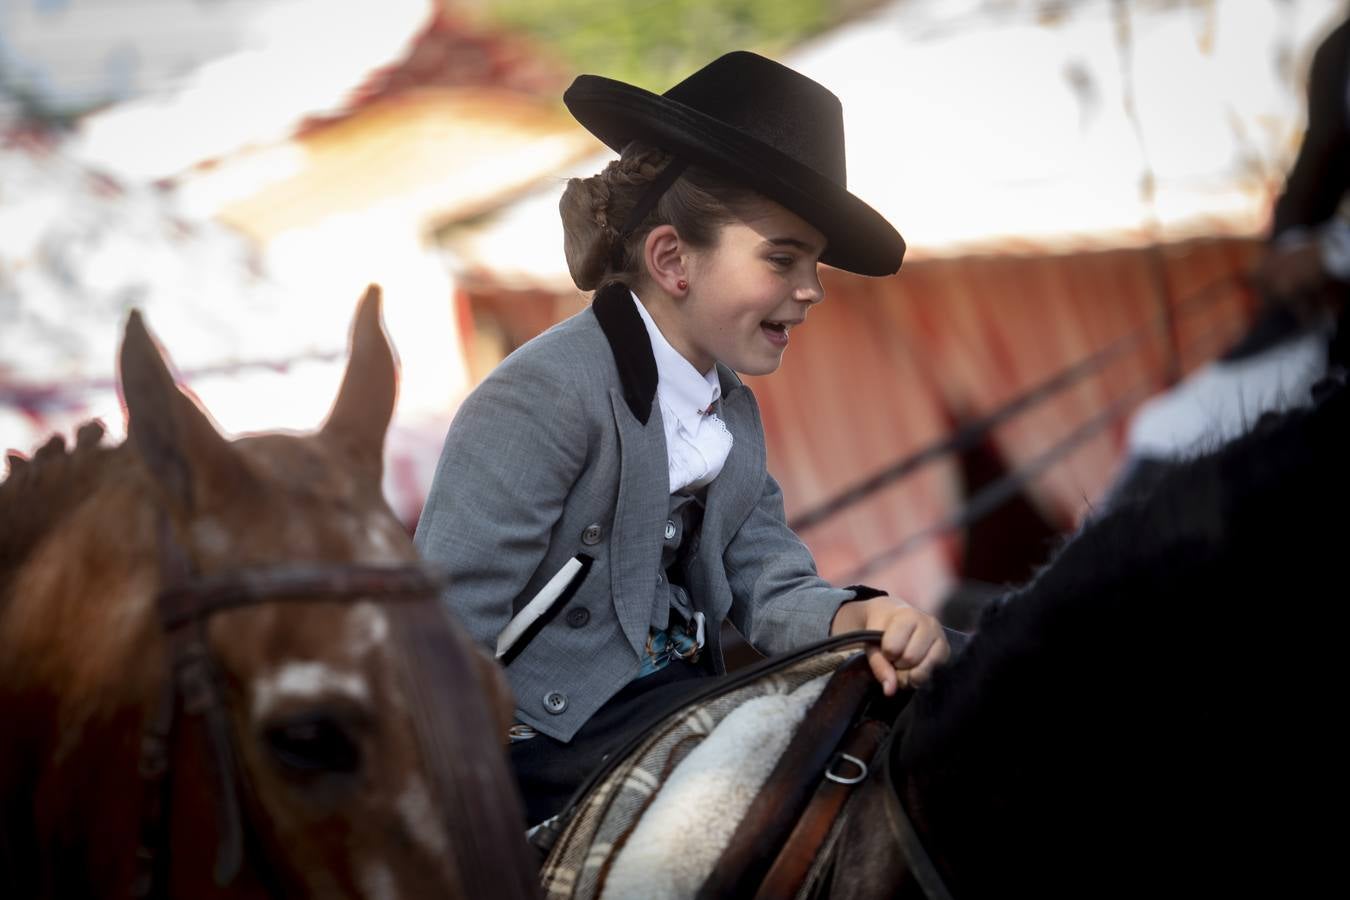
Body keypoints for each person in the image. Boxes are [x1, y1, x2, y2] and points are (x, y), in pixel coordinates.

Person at [414, 51, 950, 827]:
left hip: (672, 709)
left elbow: (765, 577)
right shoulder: (545, 396)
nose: (813, 290)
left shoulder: (729, 409)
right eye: (782, 257)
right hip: (542, 740)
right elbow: (446, 622)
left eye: (815, 263)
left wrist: (853, 620)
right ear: (672, 260)